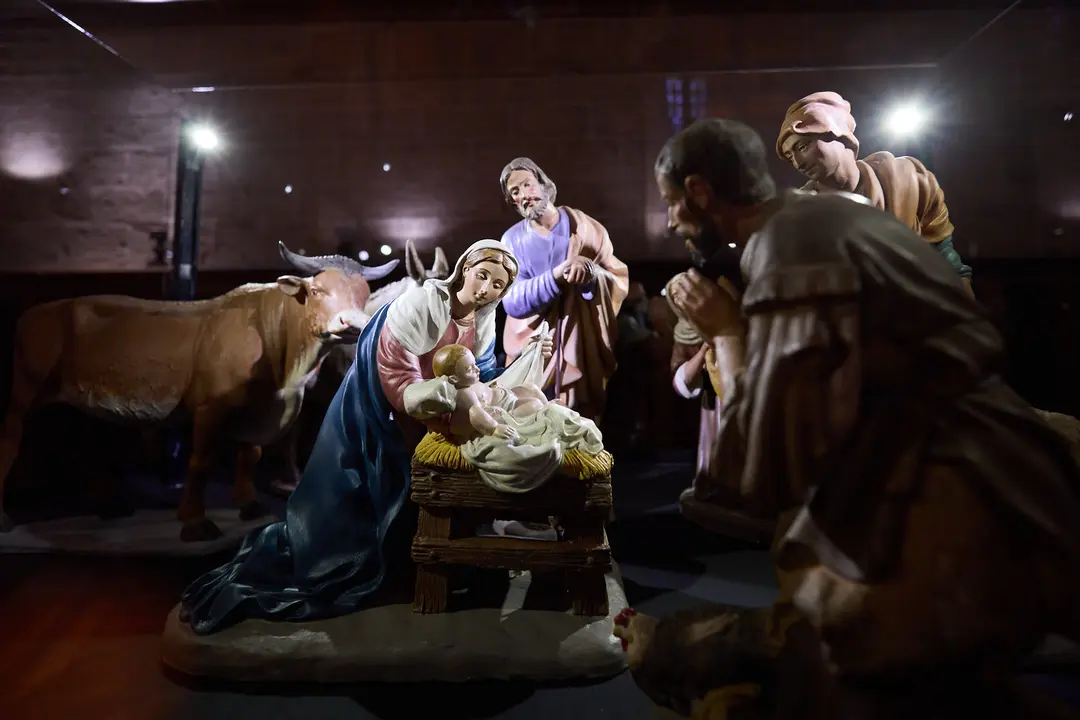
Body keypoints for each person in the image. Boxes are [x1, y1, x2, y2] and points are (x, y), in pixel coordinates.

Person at [612, 117, 1080, 717]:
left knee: (857, 663)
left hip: (942, 497)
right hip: (929, 469)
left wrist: (725, 332)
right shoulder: (823, 221)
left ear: (701, 192)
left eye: (673, 204)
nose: (673, 222)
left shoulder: (790, 246)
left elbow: (773, 460)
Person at [179, 240, 553, 635]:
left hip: (435, 417)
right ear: (464, 269)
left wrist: (529, 358)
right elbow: (395, 374)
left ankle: (428, 562)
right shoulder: (422, 304)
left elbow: (483, 375)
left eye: (498, 285)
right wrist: (443, 396)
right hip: (382, 414)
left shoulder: (484, 318)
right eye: (483, 276)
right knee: (362, 501)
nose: (486, 290)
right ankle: (376, 564)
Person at [776, 91, 975, 297]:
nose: (798, 163)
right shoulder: (801, 214)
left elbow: (945, 257)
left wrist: (966, 302)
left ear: (837, 133)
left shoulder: (909, 180)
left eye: (803, 146)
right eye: (791, 156)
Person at [498, 157, 630, 422]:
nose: (524, 195)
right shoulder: (512, 240)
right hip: (535, 349)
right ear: (512, 201)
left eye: (527, 185)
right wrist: (556, 277)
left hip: (581, 343)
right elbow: (511, 300)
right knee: (531, 419)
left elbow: (617, 278)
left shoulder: (587, 229)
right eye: (516, 191)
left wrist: (592, 278)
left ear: (543, 185)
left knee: (580, 421)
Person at [429, 343, 548, 442]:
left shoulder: (468, 381)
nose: (477, 369)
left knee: (531, 388)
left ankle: (548, 406)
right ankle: (547, 413)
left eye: (475, 364)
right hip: (506, 409)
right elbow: (476, 413)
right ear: (454, 378)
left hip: (506, 394)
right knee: (534, 404)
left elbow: (485, 386)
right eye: (470, 369)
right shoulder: (464, 393)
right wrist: (494, 428)